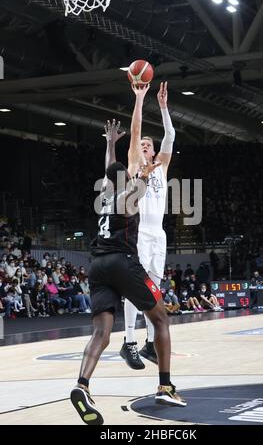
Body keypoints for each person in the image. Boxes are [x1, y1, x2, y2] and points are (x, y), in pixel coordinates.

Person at [70, 120, 186, 426]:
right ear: (127, 178)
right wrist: (147, 171)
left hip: (96, 268)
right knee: (160, 317)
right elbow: (136, 182)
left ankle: (82, 384)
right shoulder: (127, 196)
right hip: (122, 261)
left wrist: (110, 144)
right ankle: (165, 386)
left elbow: (111, 168)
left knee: (101, 333)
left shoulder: (107, 192)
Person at [120, 81, 176, 369]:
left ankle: (149, 343)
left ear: (153, 152)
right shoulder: (132, 169)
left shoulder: (161, 168)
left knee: (154, 290)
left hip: (159, 235)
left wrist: (164, 108)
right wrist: (140, 100)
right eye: (141, 144)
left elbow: (171, 135)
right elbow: (135, 131)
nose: (144, 146)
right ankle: (128, 341)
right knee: (135, 288)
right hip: (139, 234)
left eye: (148, 145)